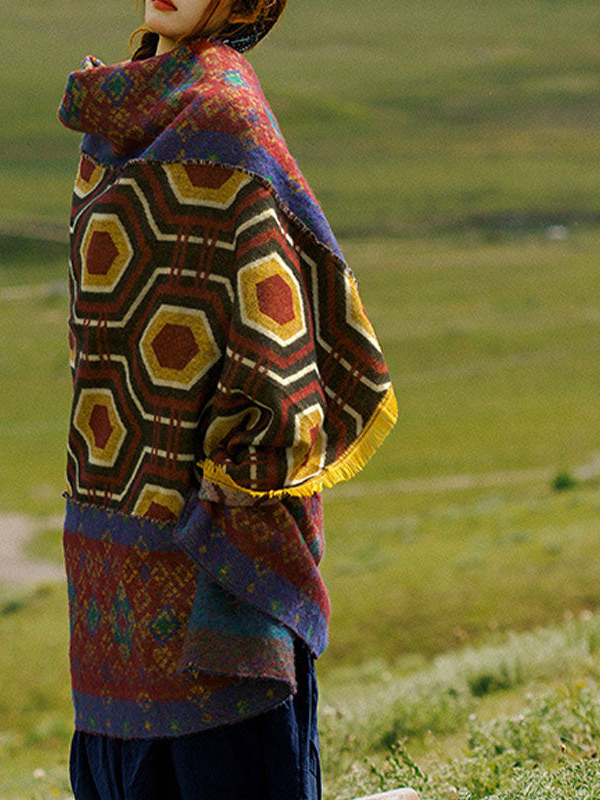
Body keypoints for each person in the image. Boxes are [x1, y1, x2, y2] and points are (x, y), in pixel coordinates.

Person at [57, 1, 397, 798]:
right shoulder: (114, 113)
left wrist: (244, 476)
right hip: (107, 521)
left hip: (207, 529)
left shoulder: (224, 112)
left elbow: (270, 309)